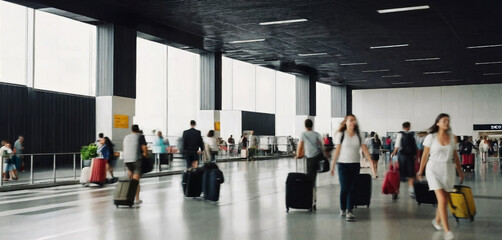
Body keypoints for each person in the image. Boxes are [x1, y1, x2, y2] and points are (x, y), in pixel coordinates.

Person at [417, 113, 464, 240]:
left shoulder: (453, 138)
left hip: (448, 169)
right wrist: (420, 171)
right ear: (437, 123)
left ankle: (437, 221)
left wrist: (460, 171)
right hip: (433, 169)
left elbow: (455, 156)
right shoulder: (430, 138)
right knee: (442, 200)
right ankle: (447, 231)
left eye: (448, 120)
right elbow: (425, 156)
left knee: (445, 200)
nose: (447, 123)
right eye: (444, 120)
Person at [330, 114, 376, 222]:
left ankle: (349, 211)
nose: (352, 123)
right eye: (350, 120)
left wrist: (371, 162)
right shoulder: (341, 134)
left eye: (354, 120)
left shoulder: (359, 134)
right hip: (343, 165)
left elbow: (364, 149)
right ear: (346, 122)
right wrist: (333, 165)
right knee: (344, 188)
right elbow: (337, 151)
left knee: (352, 188)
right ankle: (343, 208)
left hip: (355, 164)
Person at [295, 119, 325, 210]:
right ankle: (314, 201)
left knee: (309, 181)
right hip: (318, 157)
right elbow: (322, 146)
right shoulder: (316, 134)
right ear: (312, 125)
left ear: (305, 126)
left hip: (310, 159)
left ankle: (310, 202)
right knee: (314, 180)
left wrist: (298, 155)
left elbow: (300, 146)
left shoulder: (303, 134)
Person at [391, 122, 418, 199]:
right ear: (409, 127)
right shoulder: (412, 135)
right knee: (411, 174)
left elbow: (397, 145)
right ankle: (412, 192)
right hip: (410, 157)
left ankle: (395, 192)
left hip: (402, 156)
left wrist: (393, 154)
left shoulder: (400, 134)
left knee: (399, 174)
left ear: (403, 127)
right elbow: (415, 147)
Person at [123, 124, 148, 206]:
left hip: (127, 160)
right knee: (136, 180)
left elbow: (124, 147)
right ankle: (136, 199)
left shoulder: (126, 137)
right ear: (138, 129)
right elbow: (144, 147)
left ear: (131, 129)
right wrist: (145, 155)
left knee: (129, 179)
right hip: (136, 159)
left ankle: (127, 197)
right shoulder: (140, 136)